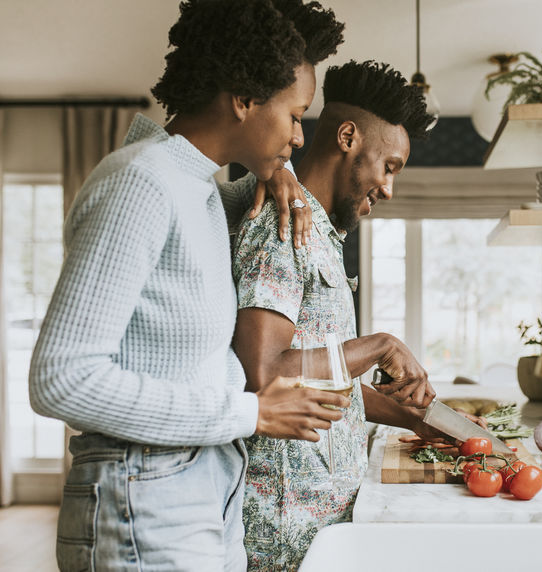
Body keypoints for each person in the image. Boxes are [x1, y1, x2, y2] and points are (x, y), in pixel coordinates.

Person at [28, 1, 347, 570]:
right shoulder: (141, 183)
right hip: (143, 491)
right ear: (243, 99)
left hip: (201, 485)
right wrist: (248, 414)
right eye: (296, 115)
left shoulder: (195, 189)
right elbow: (61, 379)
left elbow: (247, 195)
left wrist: (280, 177)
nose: (299, 136)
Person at [231, 60, 444, 571]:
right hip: (286, 538)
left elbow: (321, 382)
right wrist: (380, 345)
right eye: (388, 167)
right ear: (347, 136)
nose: (389, 189)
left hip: (324, 527)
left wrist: (422, 421)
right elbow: (259, 375)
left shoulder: (322, 234)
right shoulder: (284, 223)